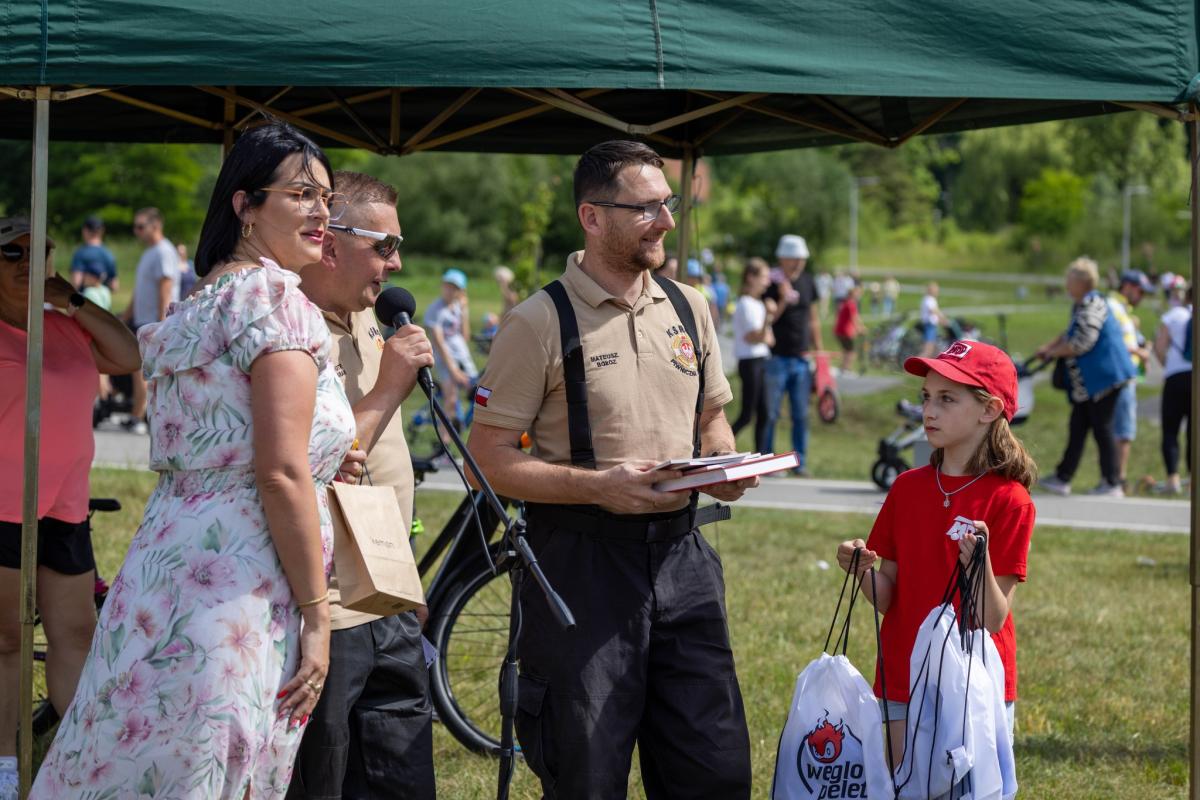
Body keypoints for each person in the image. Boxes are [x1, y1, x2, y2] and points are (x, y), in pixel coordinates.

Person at [32, 122, 355, 797]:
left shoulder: (201, 302)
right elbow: (280, 473)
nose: (321, 212)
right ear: (245, 205)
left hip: (161, 572)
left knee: (133, 762)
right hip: (238, 585)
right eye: (301, 194)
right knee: (204, 769)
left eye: (326, 198)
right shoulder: (277, 305)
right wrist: (318, 616)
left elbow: (235, 443)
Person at [467, 140, 756, 800]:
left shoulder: (689, 305)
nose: (667, 221)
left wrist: (722, 463)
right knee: (587, 773)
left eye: (668, 204)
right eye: (646, 208)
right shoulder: (538, 321)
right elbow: (487, 459)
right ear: (592, 217)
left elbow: (712, 417)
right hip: (582, 565)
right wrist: (598, 487)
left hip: (684, 558)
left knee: (713, 769)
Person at [289, 171, 436, 799]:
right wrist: (387, 389)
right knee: (324, 778)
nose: (395, 263)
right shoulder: (290, 332)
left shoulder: (374, 319)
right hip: (326, 607)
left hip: (389, 595)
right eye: (384, 246)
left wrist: (407, 579)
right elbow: (310, 464)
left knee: (402, 777)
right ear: (329, 242)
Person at [836, 339, 1036, 767]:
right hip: (903, 674)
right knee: (904, 786)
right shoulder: (906, 488)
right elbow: (888, 596)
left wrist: (978, 562)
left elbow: (993, 619)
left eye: (947, 399)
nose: (929, 410)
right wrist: (862, 570)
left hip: (974, 683)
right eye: (926, 397)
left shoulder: (1010, 500)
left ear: (989, 410)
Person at [0, 218, 140, 799]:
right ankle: (6, 767)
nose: (27, 262)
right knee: (8, 640)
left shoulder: (66, 326)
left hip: (65, 504)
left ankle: (83, 766)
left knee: (77, 633)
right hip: (4, 505)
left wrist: (72, 300)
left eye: (39, 252)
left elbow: (128, 354)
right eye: (11, 253)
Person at [1036, 257, 1137, 497]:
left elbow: (1082, 343)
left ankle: (1111, 482)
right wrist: (1050, 347)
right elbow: (1070, 333)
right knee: (1079, 425)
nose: (1066, 284)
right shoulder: (1082, 304)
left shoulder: (1093, 305)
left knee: (1102, 428)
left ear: (1081, 282)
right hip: (1092, 382)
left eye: (1069, 279)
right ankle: (1063, 477)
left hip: (1106, 378)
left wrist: (1053, 353)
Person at [763, 233, 822, 474]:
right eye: (793, 258)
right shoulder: (770, 282)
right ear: (781, 259)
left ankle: (800, 462)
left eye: (801, 259)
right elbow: (768, 318)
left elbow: (813, 318)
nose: (798, 263)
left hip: (801, 357)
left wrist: (818, 350)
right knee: (771, 413)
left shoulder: (808, 281)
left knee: (801, 414)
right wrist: (782, 298)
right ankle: (767, 460)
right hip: (776, 356)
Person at [122, 207, 181, 435]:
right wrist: (125, 317)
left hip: (154, 322)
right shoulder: (150, 253)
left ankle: (139, 416)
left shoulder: (163, 251)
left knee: (143, 371)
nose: (136, 231)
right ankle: (140, 413)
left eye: (140, 226)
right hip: (142, 320)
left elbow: (165, 287)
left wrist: (162, 323)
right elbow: (139, 290)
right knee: (140, 370)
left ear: (155, 226)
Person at [1108, 270, 1154, 491]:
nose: (1142, 296)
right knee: (1123, 430)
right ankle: (1118, 478)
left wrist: (1141, 345)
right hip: (1121, 376)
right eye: (1140, 291)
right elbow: (1111, 340)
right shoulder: (1113, 306)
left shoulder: (1124, 310)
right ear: (1127, 286)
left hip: (1127, 375)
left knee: (1122, 430)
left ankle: (1116, 476)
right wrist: (1139, 351)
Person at [424, 268, 478, 430]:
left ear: (461, 292)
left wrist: (465, 310)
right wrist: (453, 370)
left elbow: (465, 336)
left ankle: (462, 426)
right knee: (451, 400)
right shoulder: (436, 309)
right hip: (445, 360)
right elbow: (439, 342)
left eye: (454, 288)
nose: (449, 290)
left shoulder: (457, 307)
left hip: (462, 357)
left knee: (480, 393)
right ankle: (445, 441)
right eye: (447, 286)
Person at [730, 257, 774, 450]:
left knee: (765, 413)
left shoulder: (759, 304)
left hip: (761, 359)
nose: (767, 282)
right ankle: (718, 447)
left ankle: (761, 454)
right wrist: (768, 319)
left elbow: (770, 339)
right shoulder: (745, 303)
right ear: (750, 277)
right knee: (747, 415)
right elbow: (753, 337)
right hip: (750, 361)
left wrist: (765, 326)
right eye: (764, 277)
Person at [1153, 283, 1192, 495]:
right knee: (1194, 432)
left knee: (1170, 430)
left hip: (1176, 376)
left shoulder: (1174, 315)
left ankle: (1172, 479)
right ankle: (1194, 481)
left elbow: (1160, 347)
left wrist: (1167, 365)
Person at [69, 215, 118, 292]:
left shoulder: (80, 254)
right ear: (102, 231)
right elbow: (114, 286)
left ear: (85, 230)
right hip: (102, 298)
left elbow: (76, 282)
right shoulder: (109, 254)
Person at [834, 283, 867, 374]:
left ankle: (843, 367)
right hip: (846, 331)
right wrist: (859, 329)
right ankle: (847, 368)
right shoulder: (851, 304)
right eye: (858, 293)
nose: (859, 295)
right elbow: (854, 318)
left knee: (846, 350)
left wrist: (861, 326)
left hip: (840, 330)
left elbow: (856, 317)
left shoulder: (846, 303)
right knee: (851, 351)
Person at [918, 281, 947, 358]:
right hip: (929, 326)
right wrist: (943, 319)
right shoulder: (929, 299)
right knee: (928, 350)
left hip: (931, 326)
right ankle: (915, 363)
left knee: (933, 350)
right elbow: (933, 311)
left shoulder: (929, 299)